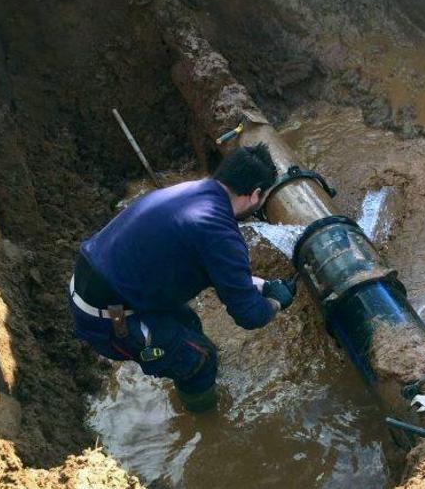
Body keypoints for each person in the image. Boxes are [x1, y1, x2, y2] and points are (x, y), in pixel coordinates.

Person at [67, 143, 296, 412]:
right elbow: (249, 316)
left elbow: (211, 267)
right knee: (199, 361)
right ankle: (207, 424)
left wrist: (260, 285)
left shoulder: (190, 192)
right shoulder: (220, 233)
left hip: (96, 285)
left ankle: (183, 365)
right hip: (106, 320)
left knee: (188, 324)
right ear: (256, 193)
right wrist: (276, 303)